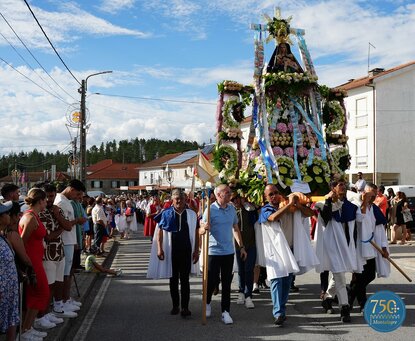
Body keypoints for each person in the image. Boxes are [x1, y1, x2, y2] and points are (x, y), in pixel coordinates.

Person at [257, 184, 316, 326]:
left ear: (280, 193)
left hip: (290, 249)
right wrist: (288, 205)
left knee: (286, 282)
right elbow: (272, 218)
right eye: (270, 194)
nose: (273, 196)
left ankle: (281, 310)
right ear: (266, 197)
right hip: (275, 252)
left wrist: (296, 204)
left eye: (276, 193)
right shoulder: (266, 209)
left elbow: (310, 214)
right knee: (277, 280)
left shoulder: (292, 208)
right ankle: (278, 313)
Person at [315, 180, 363, 323]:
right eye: (339, 184)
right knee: (340, 276)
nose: (342, 186)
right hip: (332, 245)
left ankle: (328, 297)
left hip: (346, 246)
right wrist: (329, 200)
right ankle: (345, 308)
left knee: (338, 274)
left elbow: (359, 226)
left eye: (344, 184)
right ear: (332, 188)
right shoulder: (323, 204)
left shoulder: (352, 207)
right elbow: (326, 218)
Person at [147, 189, 200, 317]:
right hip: (171, 251)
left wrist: (196, 250)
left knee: (185, 280)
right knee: (173, 279)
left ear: (184, 200)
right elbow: (159, 231)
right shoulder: (166, 213)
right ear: (172, 200)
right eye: (176, 199)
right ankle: (175, 305)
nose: (179, 202)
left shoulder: (192, 214)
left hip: (186, 250)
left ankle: (185, 307)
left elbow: (196, 233)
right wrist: (159, 248)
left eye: (181, 199)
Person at [199, 184, 247, 325]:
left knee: (227, 283)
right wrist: (204, 228)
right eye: (228, 192)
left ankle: (225, 312)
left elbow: (236, 228)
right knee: (212, 280)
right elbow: (200, 230)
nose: (231, 194)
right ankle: (207, 303)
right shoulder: (210, 209)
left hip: (228, 251)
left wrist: (242, 247)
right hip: (213, 251)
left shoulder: (231, 208)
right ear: (219, 194)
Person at [38, 184, 78, 322]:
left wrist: (57, 216)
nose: (50, 199)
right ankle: (44, 314)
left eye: (52, 196)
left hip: (59, 251)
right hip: (47, 253)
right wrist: (60, 228)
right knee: (49, 284)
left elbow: (67, 226)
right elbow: (48, 236)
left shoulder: (56, 209)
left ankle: (58, 306)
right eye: (47, 197)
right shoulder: (40, 213)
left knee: (58, 281)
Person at [349, 183, 390, 313]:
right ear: (364, 193)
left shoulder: (373, 208)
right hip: (358, 247)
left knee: (368, 275)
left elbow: (379, 228)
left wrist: (383, 246)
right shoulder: (355, 205)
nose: (372, 197)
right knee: (359, 276)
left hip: (370, 246)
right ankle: (357, 302)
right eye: (370, 194)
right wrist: (364, 204)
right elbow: (359, 219)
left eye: (374, 194)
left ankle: (349, 297)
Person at [19, 188, 50, 340]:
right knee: (41, 292)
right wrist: (28, 264)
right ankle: (25, 329)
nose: (47, 203)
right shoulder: (30, 218)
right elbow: (22, 242)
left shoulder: (34, 216)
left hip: (36, 259)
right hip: (32, 261)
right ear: (39, 201)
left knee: (35, 294)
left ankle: (28, 328)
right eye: (45, 200)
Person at [54, 180, 86, 313]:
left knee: (68, 272)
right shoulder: (61, 202)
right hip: (65, 241)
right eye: (77, 194)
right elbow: (65, 224)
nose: (78, 198)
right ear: (71, 189)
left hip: (69, 240)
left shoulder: (66, 201)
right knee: (64, 274)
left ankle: (65, 300)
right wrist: (77, 220)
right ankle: (62, 302)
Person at [231, 193, 258, 309]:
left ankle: (248, 296)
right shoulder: (231, 211)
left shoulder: (249, 209)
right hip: (238, 246)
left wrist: (247, 203)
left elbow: (257, 210)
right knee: (241, 270)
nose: (235, 201)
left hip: (251, 244)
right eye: (232, 199)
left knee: (249, 269)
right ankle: (241, 292)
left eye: (236, 198)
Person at [0, 201, 19, 341]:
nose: (9, 215)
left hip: (9, 291)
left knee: (11, 323)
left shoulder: (2, 236)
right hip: (2, 293)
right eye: (6, 213)